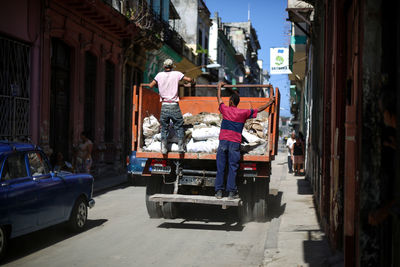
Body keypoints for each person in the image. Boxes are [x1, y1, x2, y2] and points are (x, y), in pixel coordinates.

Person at [215, 82, 274, 199]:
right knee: (233, 167)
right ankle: (231, 192)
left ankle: (219, 192)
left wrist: (219, 87)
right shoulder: (243, 113)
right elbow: (259, 109)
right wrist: (270, 102)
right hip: (235, 144)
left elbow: (219, 99)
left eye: (229, 100)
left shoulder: (225, 110)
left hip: (223, 142)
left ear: (231, 102)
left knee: (221, 167)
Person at [149, 59, 195, 154]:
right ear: (172, 66)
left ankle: (164, 148)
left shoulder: (159, 75)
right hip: (174, 105)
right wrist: (192, 81)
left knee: (164, 127)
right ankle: (181, 148)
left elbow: (150, 85)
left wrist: (159, 86)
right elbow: (189, 79)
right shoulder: (177, 74)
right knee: (179, 126)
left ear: (163, 66)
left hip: (164, 105)